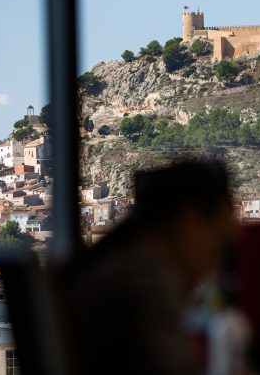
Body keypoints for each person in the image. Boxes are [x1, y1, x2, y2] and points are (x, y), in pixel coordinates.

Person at [61, 159, 238, 375]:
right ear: (191, 223)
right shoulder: (139, 289)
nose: (215, 267)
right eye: (219, 245)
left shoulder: (111, 270)